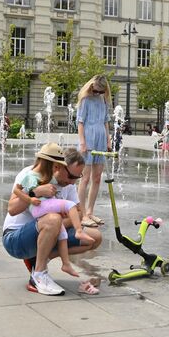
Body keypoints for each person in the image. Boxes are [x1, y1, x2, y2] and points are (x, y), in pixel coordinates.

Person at [3, 147, 102, 295]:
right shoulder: (30, 175)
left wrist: (58, 225)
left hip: (46, 230)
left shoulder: (68, 184)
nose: (72, 182)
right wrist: (35, 192)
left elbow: (79, 213)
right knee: (53, 219)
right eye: (70, 176)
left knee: (95, 237)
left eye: (77, 177)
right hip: (16, 239)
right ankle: (38, 275)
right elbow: (11, 209)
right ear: (58, 167)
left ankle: (39, 262)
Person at [77, 75, 111, 227]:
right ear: (91, 87)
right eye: (96, 91)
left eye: (101, 91)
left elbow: (106, 121)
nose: (97, 93)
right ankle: (82, 213)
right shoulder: (85, 100)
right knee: (85, 178)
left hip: (101, 139)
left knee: (97, 178)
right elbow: (80, 122)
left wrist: (109, 140)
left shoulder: (103, 100)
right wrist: (82, 142)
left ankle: (90, 211)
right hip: (89, 138)